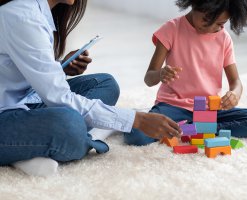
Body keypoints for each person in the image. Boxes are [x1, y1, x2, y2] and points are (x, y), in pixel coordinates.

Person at [0, 0, 182, 176]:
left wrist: (60, 66)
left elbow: (24, 69)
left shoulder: (37, 11)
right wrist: (137, 120)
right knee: (68, 124)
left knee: (105, 84)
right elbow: (58, 97)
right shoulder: (24, 17)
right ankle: (79, 138)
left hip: (27, 101)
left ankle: (32, 148)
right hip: (5, 116)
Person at [124, 0, 247, 146]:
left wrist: (235, 94)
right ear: (195, 4)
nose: (211, 28)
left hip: (211, 110)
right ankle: (194, 128)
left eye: (220, 24)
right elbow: (149, 78)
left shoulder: (224, 39)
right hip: (174, 107)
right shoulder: (171, 29)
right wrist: (160, 74)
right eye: (207, 20)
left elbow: (236, 82)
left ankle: (193, 129)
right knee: (135, 134)